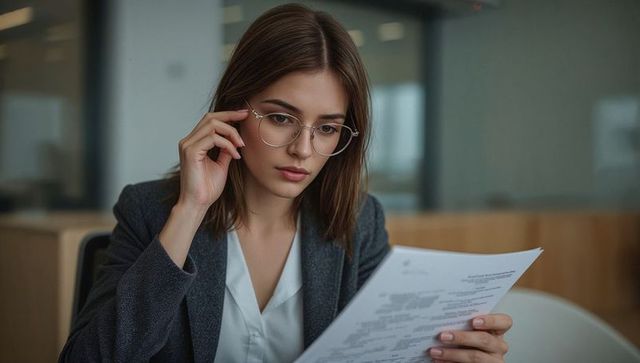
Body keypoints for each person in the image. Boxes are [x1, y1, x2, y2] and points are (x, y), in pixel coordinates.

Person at [59, 3, 512, 363]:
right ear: (235, 109)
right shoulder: (151, 210)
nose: (303, 149)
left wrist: (444, 355)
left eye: (328, 128)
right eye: (280, 118)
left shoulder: (358, 220)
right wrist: (191, 209)